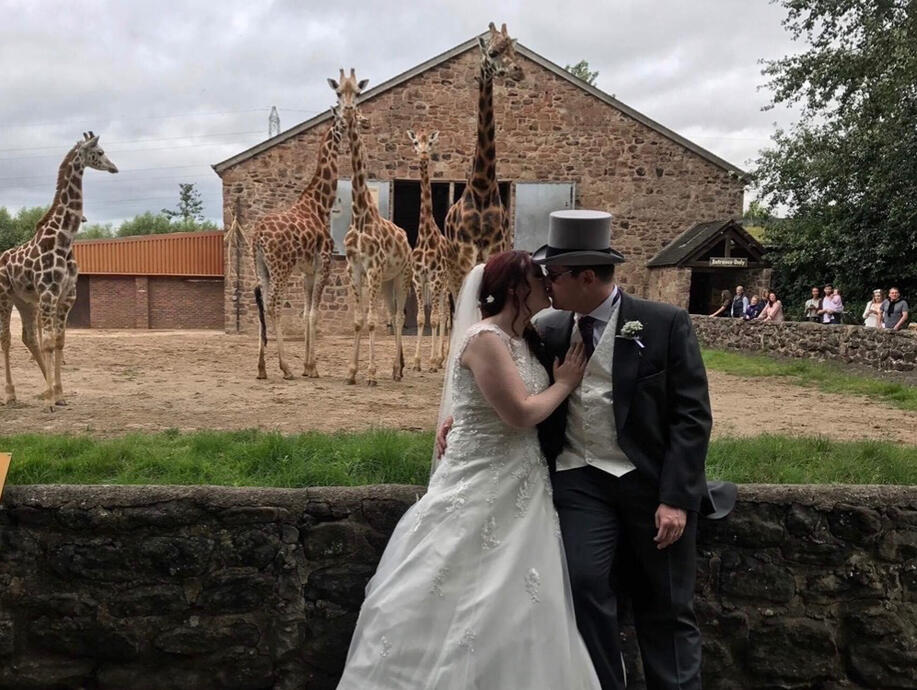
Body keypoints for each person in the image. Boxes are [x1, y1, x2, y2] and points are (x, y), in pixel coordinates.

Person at [337, 250, 601, 689]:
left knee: (522, 596)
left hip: (523, 479)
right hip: (481, 478)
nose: (547, 285)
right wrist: (565, 383)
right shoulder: (486, 339)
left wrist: (462, 416)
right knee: (456, 584)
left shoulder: (524, 337)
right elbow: (518, 412)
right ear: (518, 289)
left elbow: (486, 401)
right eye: (539, 280)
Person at [529, 210, 735, 689]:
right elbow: (511, 379)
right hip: (578, 478)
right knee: (581, 586)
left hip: (650, 483)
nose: (546, 284)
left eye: (553, 274)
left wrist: (676, 498)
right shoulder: (552, 328)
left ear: (585, 276)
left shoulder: (664, 322)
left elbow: (692, 416)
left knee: (666, 605)